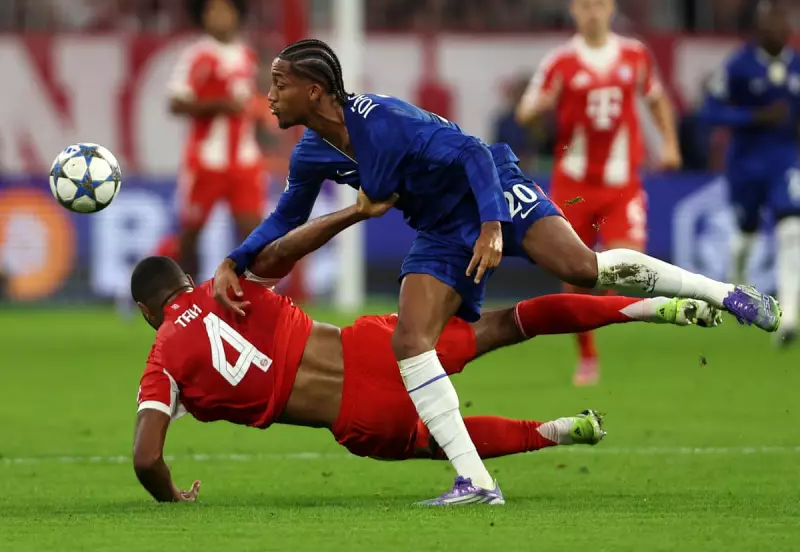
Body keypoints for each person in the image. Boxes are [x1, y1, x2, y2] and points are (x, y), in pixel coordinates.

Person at [212, 37, 779, 506]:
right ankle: (476, 481)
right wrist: (237, 259)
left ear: (314, 91)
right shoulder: (312, 152)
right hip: (439, 228)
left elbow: (474, 153)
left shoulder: (383, 121)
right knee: (411, 342)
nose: (269, 96)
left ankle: (726, 293)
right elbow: (285, 217)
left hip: (492, 192)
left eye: (279, 84)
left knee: (582, 267)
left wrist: (491, 225)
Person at [132, 194, 723, 504]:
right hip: (374, 348)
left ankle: (559, 431)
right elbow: (286, 249)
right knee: (508, 324)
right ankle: (651, 307)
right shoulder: (226, 284)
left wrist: (172, 496)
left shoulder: (162, 362)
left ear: (144, 312)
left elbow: (146, 459)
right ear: (185, 281)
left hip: (357, 420)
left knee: (445, 442)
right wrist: (354, 212)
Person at [515, 0, 683, 386]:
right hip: (573, 188)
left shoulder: (634, 55)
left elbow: (657, 100)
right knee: (575, 276)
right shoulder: (560, 62)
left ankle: (601, 314)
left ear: (611, 7)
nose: (592, 12)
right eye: (585, 4)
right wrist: (539, 107)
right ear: (573, 9)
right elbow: (525, 112)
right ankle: (587, 355)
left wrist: (670, 144)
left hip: (621, 183)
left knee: (627, 266)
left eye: (599, 4)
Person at [699, 0, 800, 347]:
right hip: (745, 163)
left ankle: (789, 317)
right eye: (772, 19)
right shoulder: (739, 65)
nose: (781, 26)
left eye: (784, 19)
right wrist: (752, 117)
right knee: (746, 234)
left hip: (785, 159)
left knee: (791, 230)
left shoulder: (797, 65)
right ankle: (736, 284)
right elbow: (709, 112)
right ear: (759, 27)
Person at [168, 0, 264, 278]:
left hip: (244, 161)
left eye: (226, 10)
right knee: (190, 235)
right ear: (203, 17)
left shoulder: (247, 55)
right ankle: (181, 300)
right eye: (213, 11)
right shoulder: (198, 56)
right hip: (207, 160)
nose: (220, 17)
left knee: (256, 236)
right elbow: (176, 103)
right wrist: (219, 105)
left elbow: (249, 104)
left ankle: (254, 304)